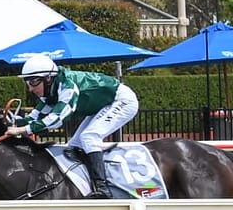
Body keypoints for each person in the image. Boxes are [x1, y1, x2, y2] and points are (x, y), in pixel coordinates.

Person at [8, 54, 138, 198]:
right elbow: (33, 118)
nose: (30, 89)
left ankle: (103, 188)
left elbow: (57, 119)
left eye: (33, 82)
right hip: (103, 104)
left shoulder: (68, 87)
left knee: (89, 137)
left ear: (48, 78)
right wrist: (9, 120)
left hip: (121, 100)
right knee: (74, 145)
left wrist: (22, 130)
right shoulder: (49, 91)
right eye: (27, 83)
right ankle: (87, 182)